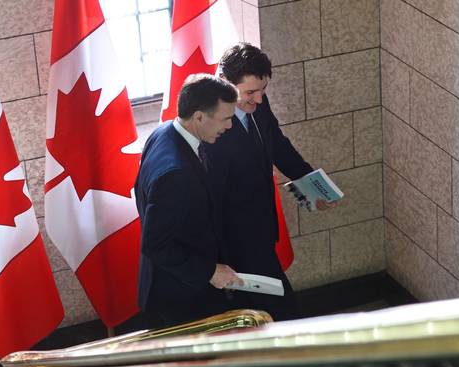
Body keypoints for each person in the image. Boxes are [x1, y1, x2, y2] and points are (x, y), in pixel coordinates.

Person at [204, 43, 335, 322]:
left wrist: (310, 183)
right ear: (226, 84)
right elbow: (208, 196)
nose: (259, 99)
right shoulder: (209, 124)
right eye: (251, 92)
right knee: (281, 312)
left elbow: (277, 144)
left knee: (266, 313)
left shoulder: (257, 104)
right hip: (234, 243)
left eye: (263, 90)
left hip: (261, 231)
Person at [134, 74, 243, 326]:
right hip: (180, 297)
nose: (229, 126)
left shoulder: (163, 133)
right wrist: (211, 271)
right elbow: (155, 245)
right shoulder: (175, 174)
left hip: (178, 286)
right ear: (199, 117)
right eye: (226, 118)